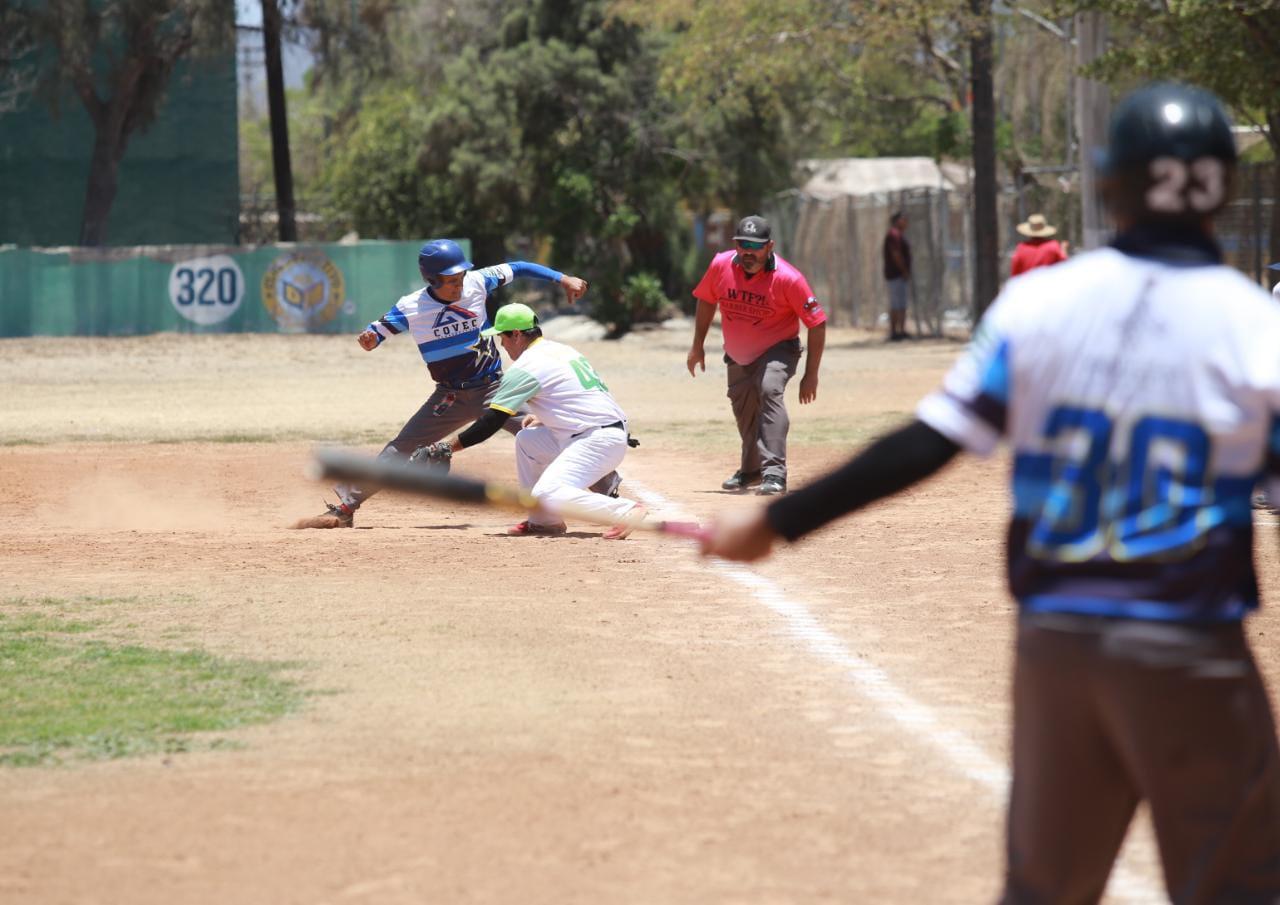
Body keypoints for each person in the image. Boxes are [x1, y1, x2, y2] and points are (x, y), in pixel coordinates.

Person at [699, 82, 1280, 902]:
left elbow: (927, 442)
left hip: (1058, 647)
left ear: (1109, 184)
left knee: (1044, 887)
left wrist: (778, 521)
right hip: (1189, 646)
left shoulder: (1041, 304)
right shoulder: (1255, 324)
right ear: (1224, 186)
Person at [294, 240, 618, 528]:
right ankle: (346, 507)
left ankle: (612, 496)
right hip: (449, 397)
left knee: (551, 433)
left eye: (461, 276)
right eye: (451, 280)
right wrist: (369, 340)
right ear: (432, 280)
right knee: (400, 448)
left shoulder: (478, 281)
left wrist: (563, 278)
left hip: (495, 388)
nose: (459, 284)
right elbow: (376, 333)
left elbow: (519, 267)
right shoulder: (411, 306)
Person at [413, 303, 644, 538]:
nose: (501, 344)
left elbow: (492, 421)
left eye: (502, 337)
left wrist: (447, 447)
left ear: (516, 334)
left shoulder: (527, 366)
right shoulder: (561, 350)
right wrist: (543, 418)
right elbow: (578, 396)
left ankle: (623, 510)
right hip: (599, 433)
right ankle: (544, 521)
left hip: (595, 440)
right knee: (527, 440)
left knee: (547, 493)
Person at [687, 214, 826, 497]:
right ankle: (751, 470)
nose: (748, 252)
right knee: (745, 409)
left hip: (778, 348)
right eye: (743, 244)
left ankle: (774, 473)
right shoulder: (721, 265)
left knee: (769, 389)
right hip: (737, 353)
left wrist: (811, 374)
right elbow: (706, 300)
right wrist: (697, 345)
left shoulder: (788, 278)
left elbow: (817, 323)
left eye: (756, 245)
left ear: (769, 246)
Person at [882, 211, 912, 340]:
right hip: (896, 275)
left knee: (901, 304)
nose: (906, 222)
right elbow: (896, 254)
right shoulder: (893, 234)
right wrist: (904, 270)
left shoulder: (898, 234)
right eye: (903, 219)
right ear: (897, 221)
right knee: (896, 304)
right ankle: (895, 332)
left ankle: (901, 331)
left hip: (899, 275)